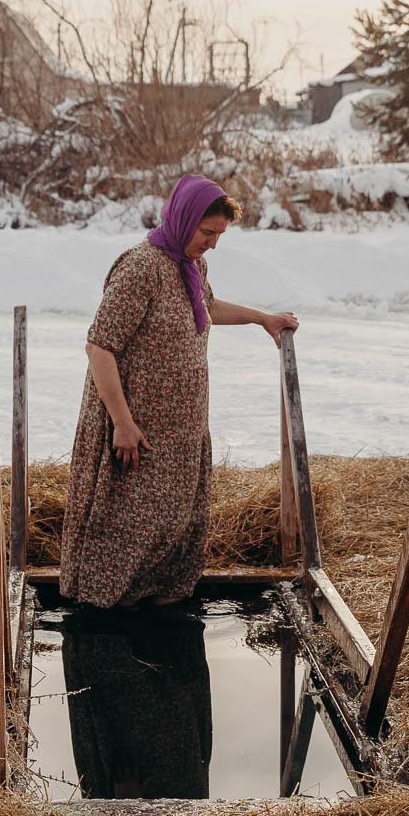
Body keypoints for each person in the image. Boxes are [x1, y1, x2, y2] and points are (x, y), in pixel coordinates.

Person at [59, 173, 299, 608]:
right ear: (185, 219)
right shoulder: (141, 268)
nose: (212, 243)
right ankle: (107, 631)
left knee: (172, 528)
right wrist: (123, 424)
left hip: (180, 428)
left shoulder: (191, 266)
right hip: (137, 430)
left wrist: (262, 317)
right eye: (207, 232)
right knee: (127, 526)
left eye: (219, 235)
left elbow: (207, 306)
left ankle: (160, 616)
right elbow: (99, 347)